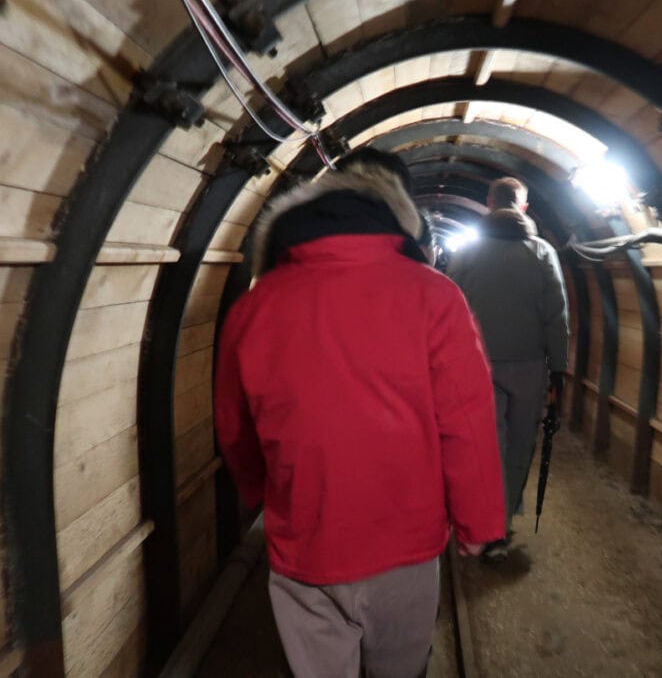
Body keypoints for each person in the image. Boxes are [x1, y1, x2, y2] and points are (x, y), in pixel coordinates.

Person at [215, 148, 505, 678]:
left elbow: (235, 427)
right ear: (401, 219)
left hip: (304, 543)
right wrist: (478, 522)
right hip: (406, 547)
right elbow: (465, 422)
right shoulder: (435, 296)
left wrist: (268, 494)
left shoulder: (254, 307)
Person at [447, 177, 570, 563]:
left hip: (476, 366)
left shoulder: (468, 252)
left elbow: (448, 309)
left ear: (489, 203)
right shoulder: (542, 252)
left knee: (485, 447)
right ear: (524, 207)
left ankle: (474, 521)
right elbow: (556, 316)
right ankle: (499, 528)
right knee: (519, 446)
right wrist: (559, 370)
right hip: (530, 367)